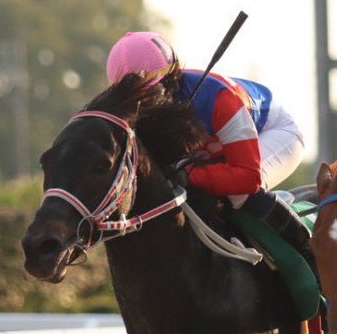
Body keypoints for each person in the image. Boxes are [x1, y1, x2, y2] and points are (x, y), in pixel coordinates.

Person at [105, 31, 313, 272]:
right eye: (136, 98)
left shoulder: (217, 99)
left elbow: (248, 176)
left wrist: (190, 175)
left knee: (239, 195)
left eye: (150, 93)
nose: (145, 106)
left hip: (274, 131)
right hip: (215, 144)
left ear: (171, 78)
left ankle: (309, 253)